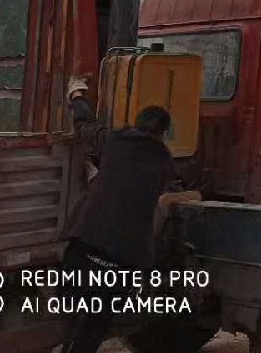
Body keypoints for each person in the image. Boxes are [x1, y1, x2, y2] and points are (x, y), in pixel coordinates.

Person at [61, 76, 176, 352]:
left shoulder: (114, 141)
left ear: (136, 124)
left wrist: (77, 94)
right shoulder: (164, 162)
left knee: (71, 315)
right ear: (163, 134)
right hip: (124, 258)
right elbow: (137, 191)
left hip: (85, 246)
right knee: (96, 325)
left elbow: (85, 125)